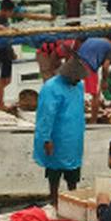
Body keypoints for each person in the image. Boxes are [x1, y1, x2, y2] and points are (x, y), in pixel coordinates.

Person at [34, 61, 87, 206]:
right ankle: (54, 202)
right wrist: (46, 138)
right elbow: (46, 115)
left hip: (74, 135)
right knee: (54, 172)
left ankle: (73, 201)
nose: (78, 81)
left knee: (73, 173)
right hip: (57, 136)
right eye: (77, 78)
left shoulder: (79, 86)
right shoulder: (51, 87)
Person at [73, 33, 111, 122]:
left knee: (73, 91)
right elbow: (106, 67)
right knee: (96, 95)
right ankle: (93, 121)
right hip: (88, 66)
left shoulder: (91, 39)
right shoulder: (110, 46)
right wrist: (105, 81)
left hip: (74, 63)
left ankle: (73, 118)